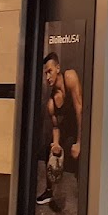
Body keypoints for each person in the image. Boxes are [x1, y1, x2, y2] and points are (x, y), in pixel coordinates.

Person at [37, 52, 83, 206]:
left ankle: (85, 202)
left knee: (80, 157)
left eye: (50, 71)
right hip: (67, 128)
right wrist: (56, 144)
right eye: (45, 73)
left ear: (58, 68)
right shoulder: (51, 102)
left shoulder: (70, 77)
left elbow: (80, 109)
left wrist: (79, 143)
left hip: (83, 123)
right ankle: (49, 191)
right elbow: (56, 127)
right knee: (48, 149)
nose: (47, 77)